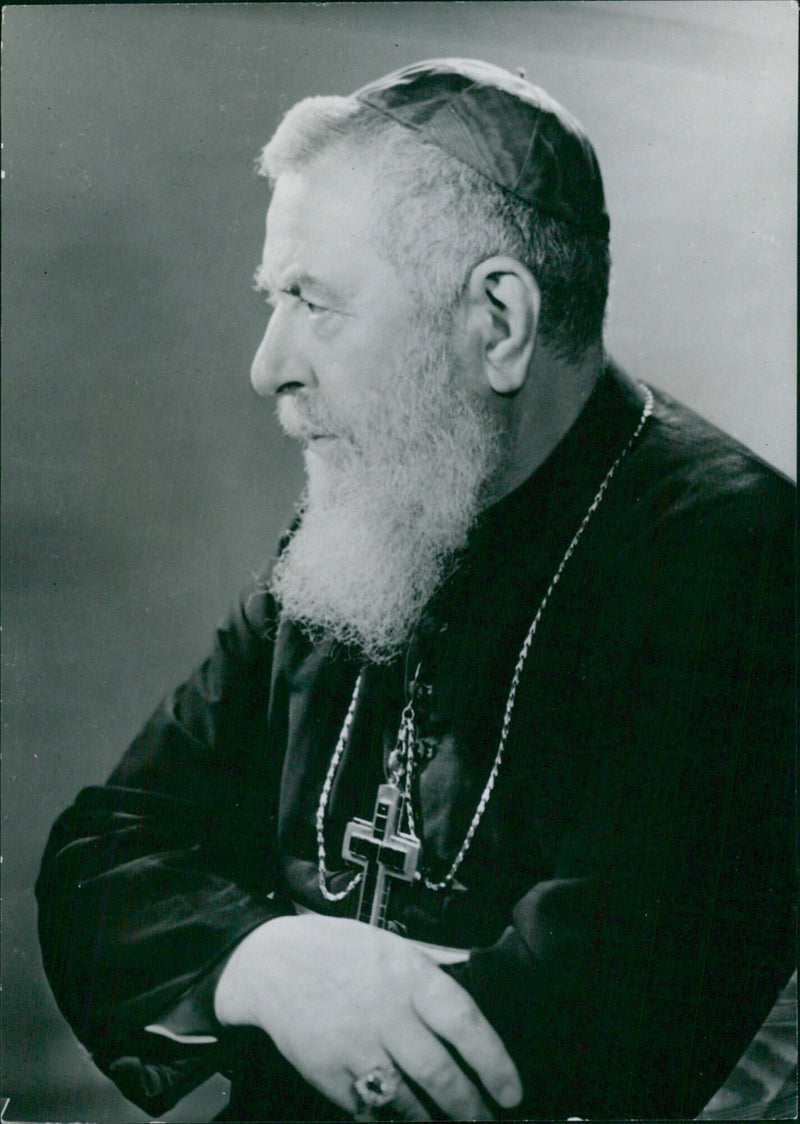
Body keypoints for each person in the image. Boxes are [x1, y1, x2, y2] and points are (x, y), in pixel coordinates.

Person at [36, 59, 794, 1122]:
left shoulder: (739, 561)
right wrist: (271, 960)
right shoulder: (372, 519)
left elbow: (581, 1030)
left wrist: (228, 949)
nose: (267, 366)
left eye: (310, 299)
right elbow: (102, 852)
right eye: (273, 300)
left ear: (496, 319)